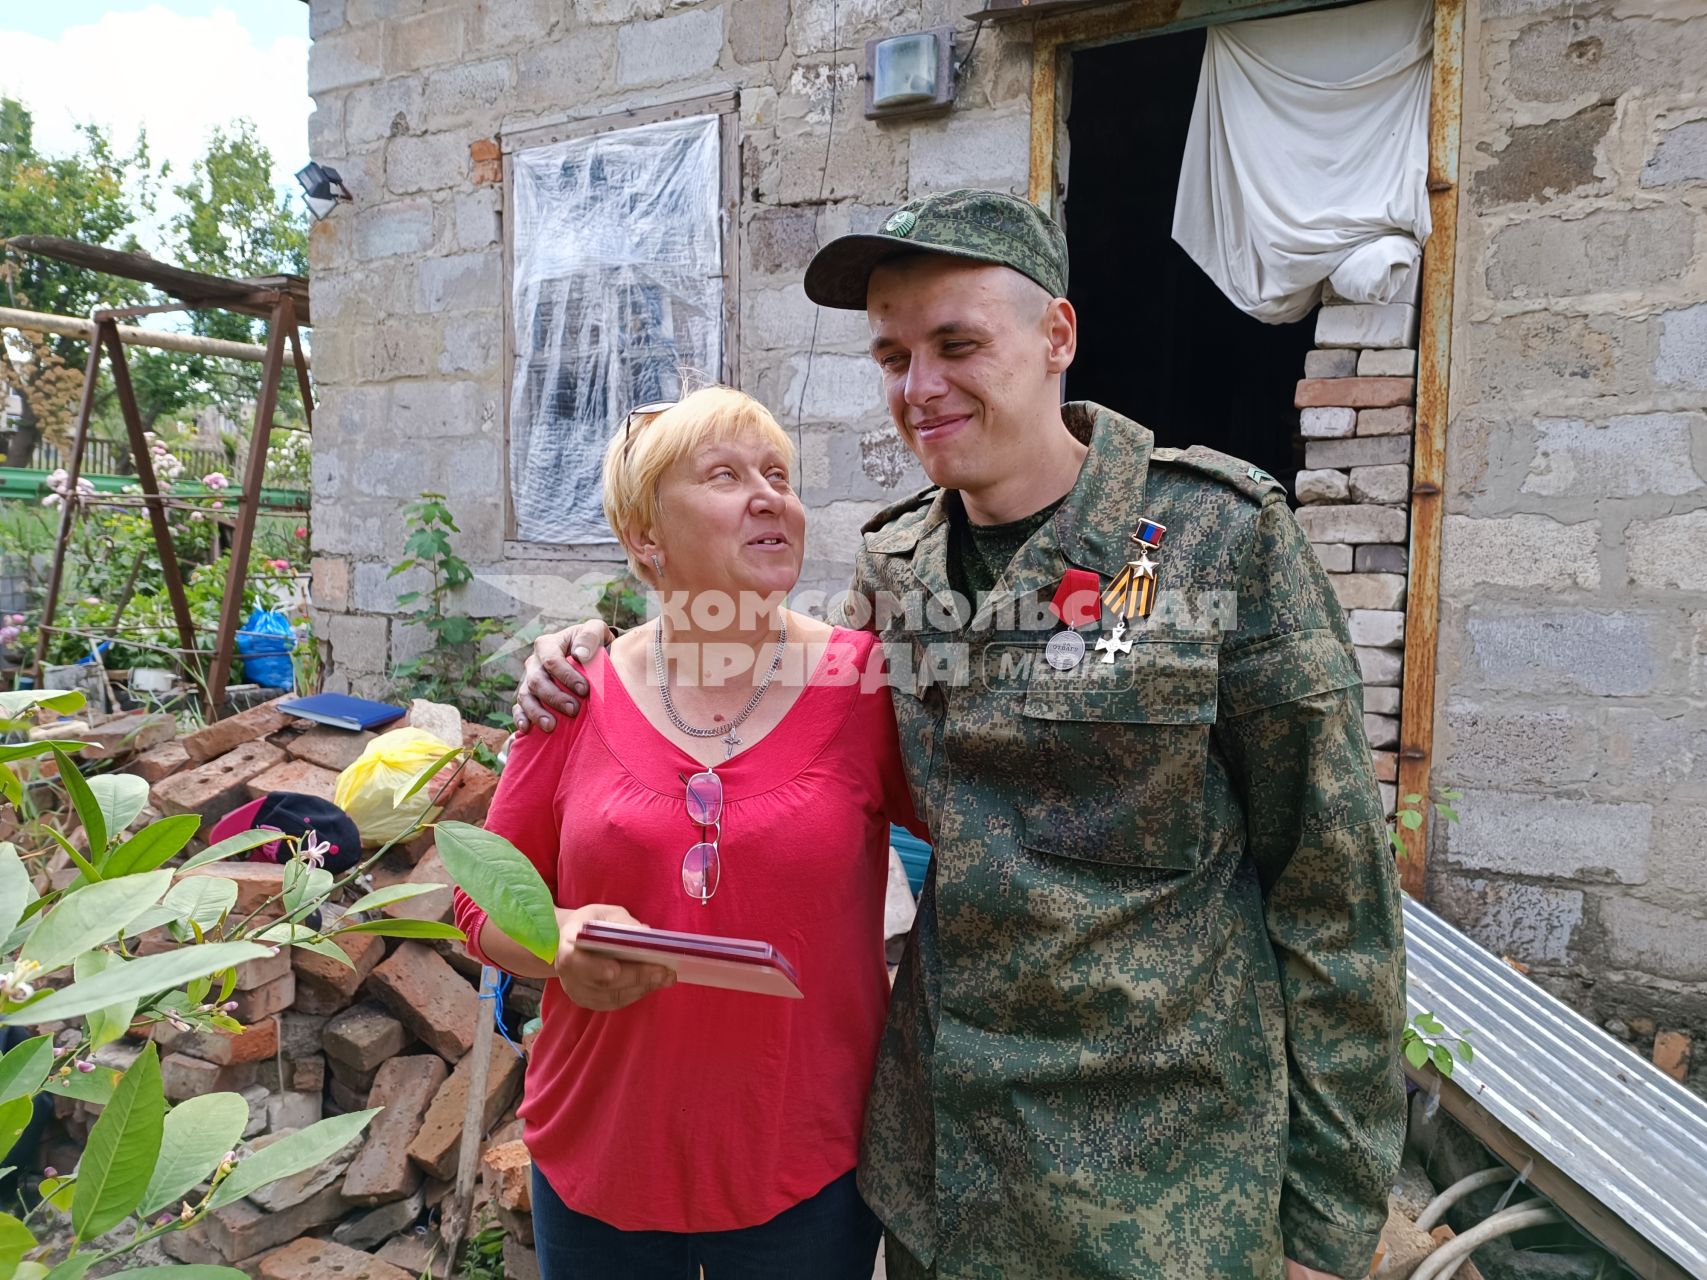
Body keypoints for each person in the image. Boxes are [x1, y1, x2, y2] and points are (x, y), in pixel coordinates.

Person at [514, 190, 1406, 1280]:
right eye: (893, 356)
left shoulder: (1213, 541)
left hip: (1166, 1199)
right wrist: (586, 659)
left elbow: (1334, 892)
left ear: (1056, 338)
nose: (919, 388)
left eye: (957, 344)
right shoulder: (896, 573)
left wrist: (1323, 1226)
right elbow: (776, 720)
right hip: (944, 1192)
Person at [454, 387, 922, 1279]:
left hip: (804, 1163)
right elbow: (478, 897)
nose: (768, 496)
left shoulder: (865, 685)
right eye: (723, 475)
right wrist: (555, 943)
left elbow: (978, 834)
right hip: (602, 1157)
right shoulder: (575, 693)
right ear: (645, 539)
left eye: (777, 476)